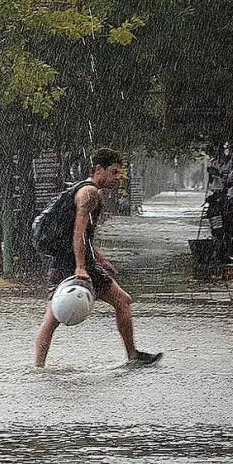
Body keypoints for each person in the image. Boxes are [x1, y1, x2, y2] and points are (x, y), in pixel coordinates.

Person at [34, 148, 163, 368]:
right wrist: (81, 267)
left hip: (63, 261)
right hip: (75, 264)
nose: (118, 178)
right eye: (114, 172)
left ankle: (38, 367)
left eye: (120, 173)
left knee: (53, 316)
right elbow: (78, 233)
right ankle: (132, 355)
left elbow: (83, 235)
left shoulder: (85, 190)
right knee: (122, 301)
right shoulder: (89, 193)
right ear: (98, 170)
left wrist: (100, 259)